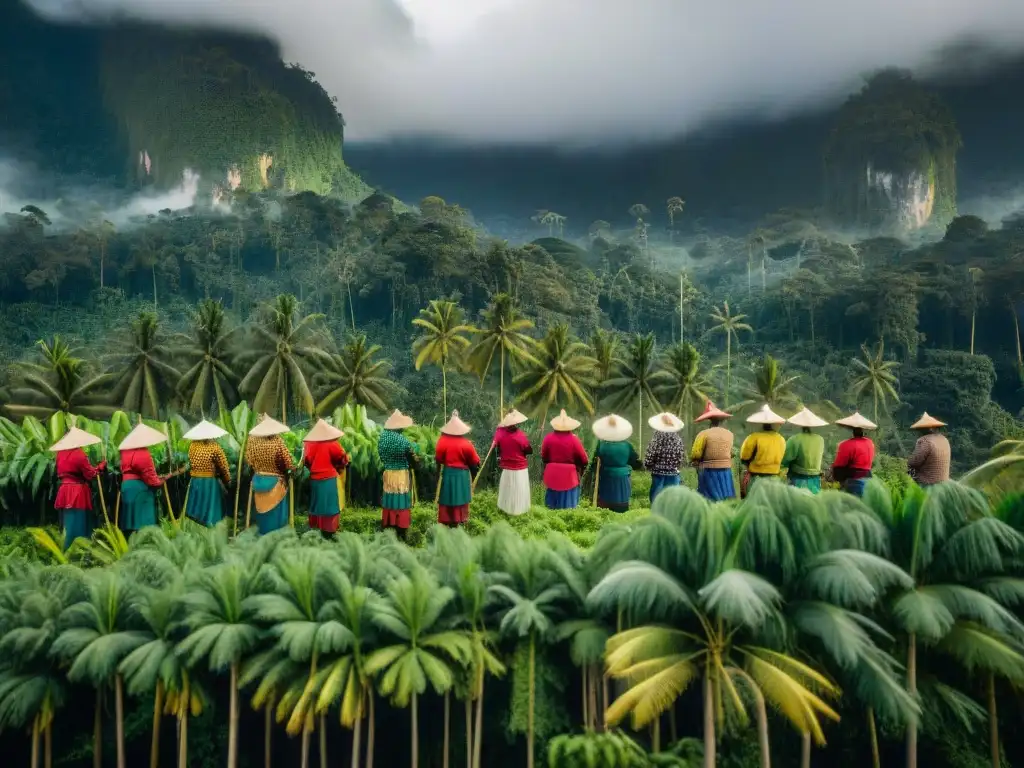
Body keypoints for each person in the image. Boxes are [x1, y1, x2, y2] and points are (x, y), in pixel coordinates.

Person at [50, 427, 106, 549]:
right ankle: (78, 548)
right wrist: (100, 468)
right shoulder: (79, 454)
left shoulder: (60, 453)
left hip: (64, 489)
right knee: (78, 520)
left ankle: (66, 548)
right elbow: (90, 474)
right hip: (77, 490)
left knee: (67, 521)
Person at [245, 415, 295, 534]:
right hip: (275, 482)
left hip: (259, 480)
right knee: (276, 515)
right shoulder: (277, 442)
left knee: (262, 513)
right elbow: (286, 462)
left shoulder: (252, 441)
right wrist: (292, 469)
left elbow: (249, 460)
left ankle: (263, 537)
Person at [118, 423, 169, 534]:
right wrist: (161, 480)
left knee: (130, 520)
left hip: (126, 486)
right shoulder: (143, 453)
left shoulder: (124, 450)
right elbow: (151, 479)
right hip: (139, 488)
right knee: (143, 522)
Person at [303, 418, 350, 536]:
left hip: (315, 478)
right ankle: (329, 530)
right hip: (329, 478)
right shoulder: (332, 443)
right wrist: (340, 466)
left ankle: (315, 527)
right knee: (330, 505)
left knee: (316, 503)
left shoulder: (309, 444)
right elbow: (342, 458)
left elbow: (306, 460)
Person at [435, 410, 481, 526]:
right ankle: (459, 520)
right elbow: (475, 461)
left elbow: (438, 459)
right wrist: (474, 474)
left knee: (447, 496)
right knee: (460, 497)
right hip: (461, 475)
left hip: (448, 473)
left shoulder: (442, 441)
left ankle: (446, 520)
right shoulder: (466, 444)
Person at [378, 410, 418, 540]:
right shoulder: (403, 441)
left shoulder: (382, 439)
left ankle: (388, 525)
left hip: (388, 473)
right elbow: (412, 459)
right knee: (401, 500)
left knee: (389, 499)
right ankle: (401, 529)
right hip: (400, 473)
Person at [182, 419, 231, 527]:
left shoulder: (193, 446)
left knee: (196, 510)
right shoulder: (214, 447)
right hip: (210, 483)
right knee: (211, 511)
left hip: (195, 481)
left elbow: (190, 461)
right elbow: (223, 467)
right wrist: (227, 481)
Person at [592, 414, 641, 512]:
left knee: (605, 505)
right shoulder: (627, 445)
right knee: (621, 503)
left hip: (606, 476)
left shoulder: (601, 445)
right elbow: (634, 460)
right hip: (622, 478)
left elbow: (595, 460)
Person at [541, 410, 589, 509]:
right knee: (568, 507)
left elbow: (544, 456)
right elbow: (584, 459)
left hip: (552, 475)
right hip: (569, 477)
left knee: (550, 506)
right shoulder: (574, 440)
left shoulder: (548, 438)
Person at [689, 400, 736, 501]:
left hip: (708, 470)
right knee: (726, 497)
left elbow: (695, 454)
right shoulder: (729, 434)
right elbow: (731, 453)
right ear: (721, 420)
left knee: (709, 498)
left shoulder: (703, 434)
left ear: (709, 420)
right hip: (726, 469)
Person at [739, 405, 787, 497]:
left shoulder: (753, 437)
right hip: (775, 478)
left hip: (756, 478)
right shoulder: (781, 439)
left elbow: (744, 457)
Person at [493, 409, 533, 516]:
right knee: (519, 490)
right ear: (515, 424)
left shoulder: (501, 434)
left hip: (507, 467)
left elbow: (497, 445)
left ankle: (505, 509)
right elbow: (529, 450)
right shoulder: (520, 436)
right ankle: (518, 511)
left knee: (507, 490)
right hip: (520, 468)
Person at [780, 407, 828, 494]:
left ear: (800, 425)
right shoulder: (820, 439)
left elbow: (785, 459)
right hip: (815, 479)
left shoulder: (794, 439)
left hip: (798, 479)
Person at [832, 412, 877, 496]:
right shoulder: (870, 443)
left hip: (854, 478)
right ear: (862, 431)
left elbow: (840, 464)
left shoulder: (846, 444)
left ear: (853, 431)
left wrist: (837, 477)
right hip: (869, 477)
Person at [644, 412, 685, 503]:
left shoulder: (657, 436)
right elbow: (680, 456)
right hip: (673, 472)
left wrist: (648, 464)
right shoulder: (677, 438)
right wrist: (676, 465)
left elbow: (651, 453)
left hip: (658, 472)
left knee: (657, 496)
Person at [907, 412, 952, 487]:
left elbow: (914, 462)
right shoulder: (944, 439)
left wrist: (903, 463)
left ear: (929, 429)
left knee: (906, 469)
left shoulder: (925, 441)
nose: (919, 431)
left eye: (921, 429)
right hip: (943, 480)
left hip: (928, 481)